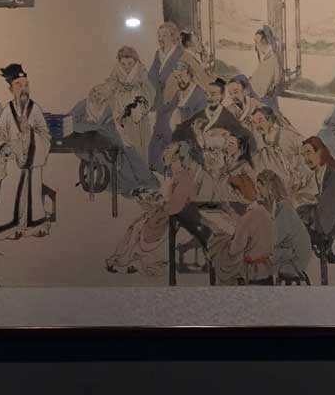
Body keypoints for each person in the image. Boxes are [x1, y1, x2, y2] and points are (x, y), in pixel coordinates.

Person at [105, 141, 198, 275]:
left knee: (139, 227)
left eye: (169, 151)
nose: (165, 152)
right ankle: (121, 258)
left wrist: (159, 201)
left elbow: (174, 208)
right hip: (166, 213)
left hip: (175, 220)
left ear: (180, 159)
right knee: (135, 226)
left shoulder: (184, 178)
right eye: (166, 148)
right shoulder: (173, 173)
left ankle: (125, 260)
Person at [0, 63, 53, 240]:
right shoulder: (7, 111)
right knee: (11, 193)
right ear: (11, 89)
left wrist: (30, 133)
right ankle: (9, 228)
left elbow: (45, 135)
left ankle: (32, 225)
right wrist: (5, 147)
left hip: (32, 162)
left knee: (32, 194)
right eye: (18, 85)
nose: (23, 89)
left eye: (26, 84)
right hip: (13, 161)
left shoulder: (35, 109)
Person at [206, 173, 276, 285]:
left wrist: (224, 239)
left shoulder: (247, 218)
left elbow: (234, 250)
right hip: (267, 269)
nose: (232, 195)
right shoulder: (265, 212)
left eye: (233, 192)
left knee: (217, 247)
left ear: (239, 193)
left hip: (252, 272)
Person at [250, 105, 317, 206]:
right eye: (254, 123)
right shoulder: (262, 149)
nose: (257, 126)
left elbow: (309, 151)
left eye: (260, 121)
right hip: (284, 194)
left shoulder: (287, 135)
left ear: (270, 120)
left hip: (304, 187)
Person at [148, 61, 206, 173]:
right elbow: (169, 107)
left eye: (181, 76)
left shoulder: (199, 94)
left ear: (189, 74)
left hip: (188, 133)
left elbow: (199, 119)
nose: (179, 81)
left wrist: (180, 116)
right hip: (172, 127)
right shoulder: (179, 93)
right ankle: (156, 164)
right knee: (159, 125)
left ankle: (168, 169)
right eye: (176, 78)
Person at [256, 169, 312, 281]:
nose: (259, 193)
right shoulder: (280, 205)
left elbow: (275, 239)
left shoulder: (284, 208)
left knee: (257, 261)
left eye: (260, 188)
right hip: (291, 253)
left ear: (268, 188)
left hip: (295, 261)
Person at [296, 136, 335, 242]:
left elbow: (329, 209)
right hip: (330, 213)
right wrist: (312, 198)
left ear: (320, 152)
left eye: (308, 153)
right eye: (303, 155)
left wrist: (306, 211)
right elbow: (326, 197)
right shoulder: (320, 172)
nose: (306, 159)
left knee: (299, 215)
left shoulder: (332, 175)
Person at [174, 77, 253, 153]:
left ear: (222, 96)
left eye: (213, 94)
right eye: (206, 94)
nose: (209, 98)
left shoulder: (227, 117)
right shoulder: (199, 114)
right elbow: (181, 130)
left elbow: (246, 136)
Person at [105, 46, 155, 163]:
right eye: (123, 64)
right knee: (123, 139)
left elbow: (149, 90)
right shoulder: (116, 70)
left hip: (137, 110)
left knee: (139, 142)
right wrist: (116, 89)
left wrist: (141, 105)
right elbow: (111, 85)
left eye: (130, 63)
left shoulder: (141, 70)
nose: (126, 67)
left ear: (135, 61)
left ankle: (140, 167)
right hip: (121, 107)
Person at [147, 22, 208, 111]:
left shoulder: (183, 54)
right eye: (159, 36)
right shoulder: (158, 55)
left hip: (178, 100)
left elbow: (202, 77)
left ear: (172, 37)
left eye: (164, 35)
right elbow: (151, 76)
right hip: (159, 99)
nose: (160, 39)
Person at [249, 25, 284, 110]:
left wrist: (247, 86)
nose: (255, 46)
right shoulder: (269, 59)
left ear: (264, 42)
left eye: (256, 42)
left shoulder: (270, 62)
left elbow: (261, 92)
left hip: (264, 106)